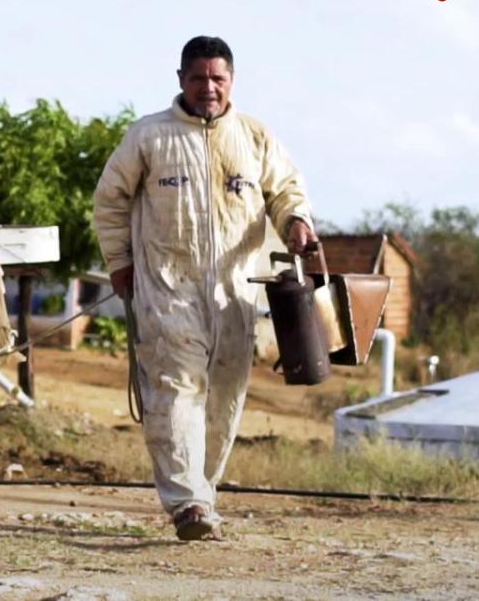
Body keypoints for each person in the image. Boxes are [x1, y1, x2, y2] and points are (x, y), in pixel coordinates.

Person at [92, 36, 317, 541]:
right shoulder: (149, 136)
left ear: (232, 80)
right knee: (176, 390)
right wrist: (120, 263)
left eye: (218, 78)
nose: (208, 88)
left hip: (236, 294)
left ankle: (202, 493)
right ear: (180, 80)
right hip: (168, 287)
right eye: (198, 78)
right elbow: (109, 201)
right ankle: (187, 503)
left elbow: (286, 190)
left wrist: (297, 221)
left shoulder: (255, 136)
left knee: (224, 398)